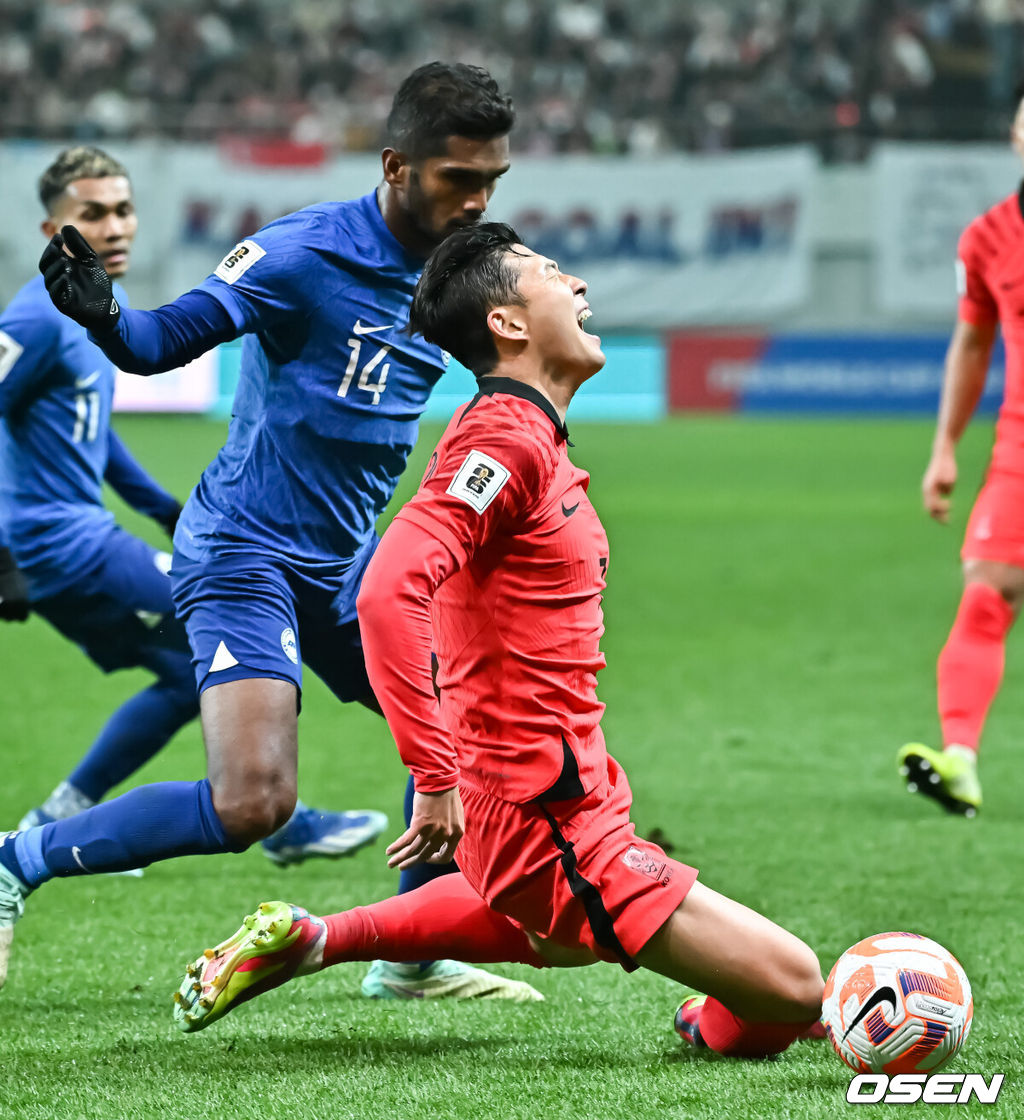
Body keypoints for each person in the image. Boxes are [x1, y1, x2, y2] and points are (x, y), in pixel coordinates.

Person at [170, 223, 824, 1062]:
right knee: (797, 989)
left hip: (558, 786)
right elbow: (386, 589)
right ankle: (704, 1019)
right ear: (509, 324)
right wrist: (435, 773)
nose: (579, 283)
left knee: (556, 929)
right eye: (553, 273)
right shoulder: (505, 439)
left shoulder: (527, 434)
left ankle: (316, 939)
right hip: (536, 802)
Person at [0, 67, 537, 1003]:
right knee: (254, 804)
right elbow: (163, 341)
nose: (478, 199)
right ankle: (16, 859)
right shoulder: (301, 253)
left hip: (346, 562)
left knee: (458, 727)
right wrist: (108, 318)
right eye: (459, 178)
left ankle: (408, 958)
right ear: (396, 166)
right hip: (244, 552)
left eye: (492, 178)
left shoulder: (466, 264)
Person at [0, 147, 382, 906]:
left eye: (124, 208)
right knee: (248, 619)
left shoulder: (88, 314)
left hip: (76, 536)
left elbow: (92, 438)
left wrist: (164, 510)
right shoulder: (40, 315)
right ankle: (278, 819)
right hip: (55, 543)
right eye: (93, 213)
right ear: (53, 228)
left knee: (188, 672)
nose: (115, 226)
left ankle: (57, 820)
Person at [897, 93, 1024, 818]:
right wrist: (945, 447)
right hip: (1020, 444)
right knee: (985, 591)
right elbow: (973, 344)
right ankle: (962, 760)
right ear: (1015, 137)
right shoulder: (987, 239)